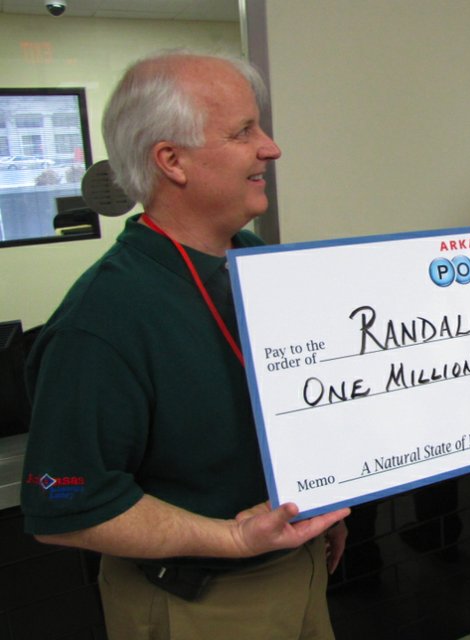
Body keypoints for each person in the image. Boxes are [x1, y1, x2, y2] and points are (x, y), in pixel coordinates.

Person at [20, 51, 350, 640]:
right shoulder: (100, 321)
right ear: (171, 161)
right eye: (243, 131)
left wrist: (316, 497)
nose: (270, 147)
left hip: (300, 571)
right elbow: (66, 507)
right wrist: (231, 538)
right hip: (198, 603)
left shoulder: (254, 262)